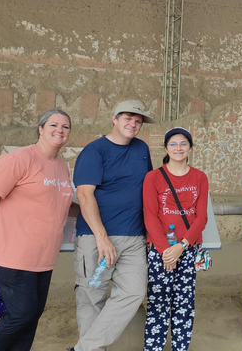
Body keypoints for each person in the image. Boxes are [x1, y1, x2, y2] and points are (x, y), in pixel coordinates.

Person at [0, 109, 76, 351]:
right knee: (22, 313)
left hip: (43, 258)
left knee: (32, 316)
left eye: (65, 127)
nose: (59, 130)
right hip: (12, 254)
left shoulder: (61, 166)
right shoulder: (20, 158)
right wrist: (4, 221)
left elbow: (59, 203)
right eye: (53, 125)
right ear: (40, 129)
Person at [71, 100, 155, 351]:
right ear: (114, 118)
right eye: (128, 118)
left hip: (133, 238)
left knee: (133, 292)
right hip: (97, 239)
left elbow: (149, 189)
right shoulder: (95, 150)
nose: (133, 124)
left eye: (138, 121)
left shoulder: (141, 149)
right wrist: (101, 236)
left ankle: (84, 348)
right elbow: (85, 195)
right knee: (91, 297)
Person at [142, 127, 209, 351]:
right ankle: (154, 347)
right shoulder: (153, 177)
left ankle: (180, 347)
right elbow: (150, 217)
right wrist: (165, 251)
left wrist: (181, 246)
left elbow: (201, 217)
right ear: (165, 148)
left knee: (184, 303)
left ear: (190, 147)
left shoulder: (199, 177)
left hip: (187, 248)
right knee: (158, 303)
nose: (178, 148)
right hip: (160, 250)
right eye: (173, 144)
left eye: (183, 144)